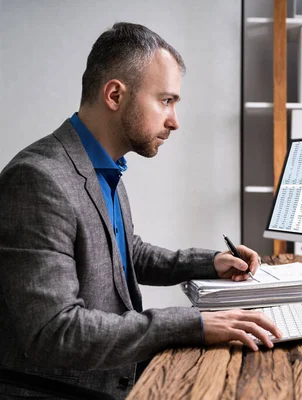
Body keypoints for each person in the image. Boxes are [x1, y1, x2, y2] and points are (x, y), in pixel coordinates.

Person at [0, 22, 281, 399]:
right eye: (166, 101)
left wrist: (210, 262)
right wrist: (192, 324)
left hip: (118, 374)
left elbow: (124, 252)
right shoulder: (39, 180)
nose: (174, 121)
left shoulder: (100, 165)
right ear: (115, 95)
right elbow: (55, 332)